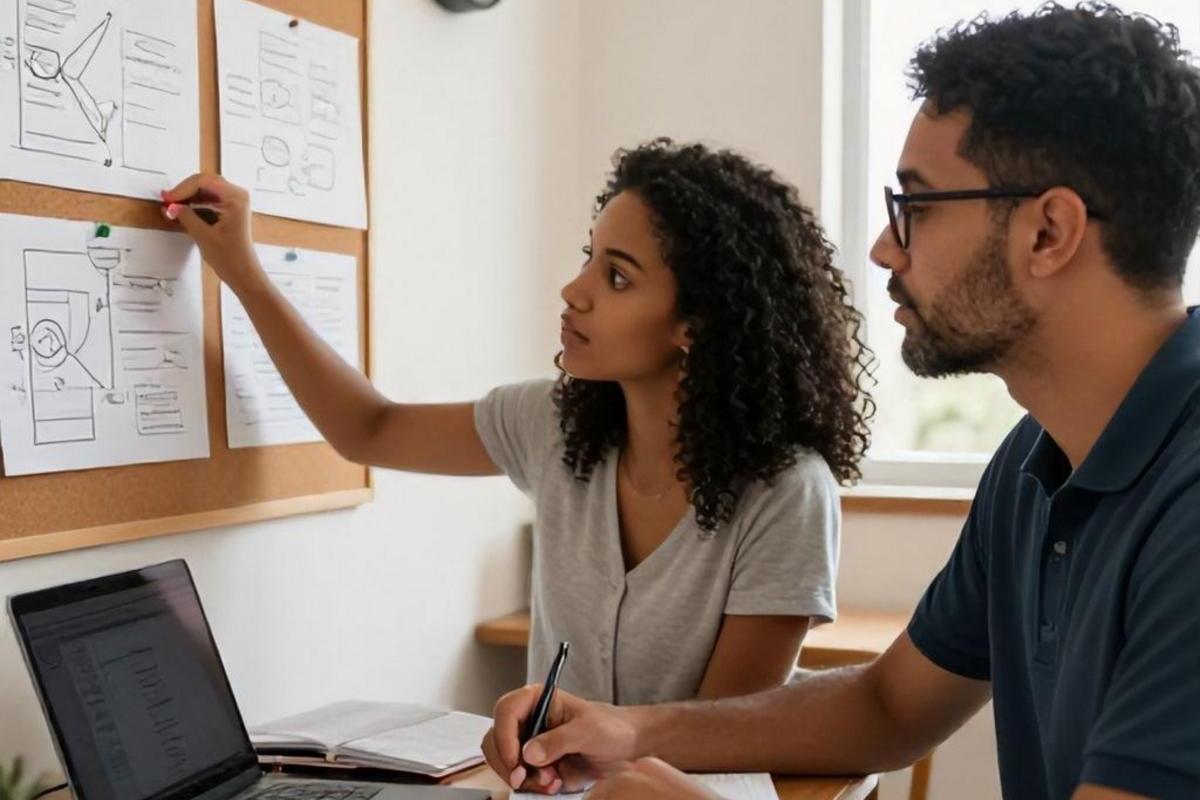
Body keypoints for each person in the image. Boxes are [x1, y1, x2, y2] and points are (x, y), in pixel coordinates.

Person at [481, 4, 1200, 799]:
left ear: (1048, 232)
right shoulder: (1036, 460)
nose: (884, 248)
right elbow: (886, 707)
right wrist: (630, 730)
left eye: (914, 208)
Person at [162, 140, 875, 736]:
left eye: (616, 277)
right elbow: (367, 428)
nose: (574, 289)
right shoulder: (555, 424)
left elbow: (719, 735)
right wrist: (243, 272)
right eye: (589, 256)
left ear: (697, 324)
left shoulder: (787, 493)